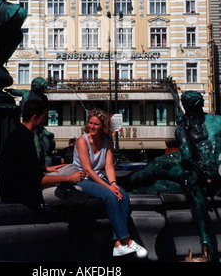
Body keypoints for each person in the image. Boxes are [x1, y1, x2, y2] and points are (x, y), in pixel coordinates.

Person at [125, 90, 221, 262]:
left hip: (206, 173)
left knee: (185, 181)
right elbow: (186, 156)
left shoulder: (214, 122)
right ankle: (124, 184)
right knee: (155, 166)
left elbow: (187, 156)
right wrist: (183, 130)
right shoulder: (195, 124)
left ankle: (206, 243)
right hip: (196, 165)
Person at [73, 108, 147, 258]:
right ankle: (126, 239)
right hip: (82, 179)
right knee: (110, 195)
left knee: (123, 196)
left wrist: (113, 183)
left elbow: (108, 166)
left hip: (99, 178)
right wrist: (108, 187)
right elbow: (87, 170)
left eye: (96, 124)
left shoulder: (108, 141)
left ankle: (117, 244)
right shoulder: (82, 141)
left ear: (103, 126)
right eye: (90, 123)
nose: (92, 127)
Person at [0, 99, 86, 212]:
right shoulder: (25, 139)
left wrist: (45, 168)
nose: (45, 120)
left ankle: (64, 187)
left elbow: (21, 167)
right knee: (77, 187)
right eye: (44, 116)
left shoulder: (18, 133)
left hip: (23, 183)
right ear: (35, 118)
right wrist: (69, 178)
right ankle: (65, 188)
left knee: (72, 168)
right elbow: (37, 179)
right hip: (25, 192)